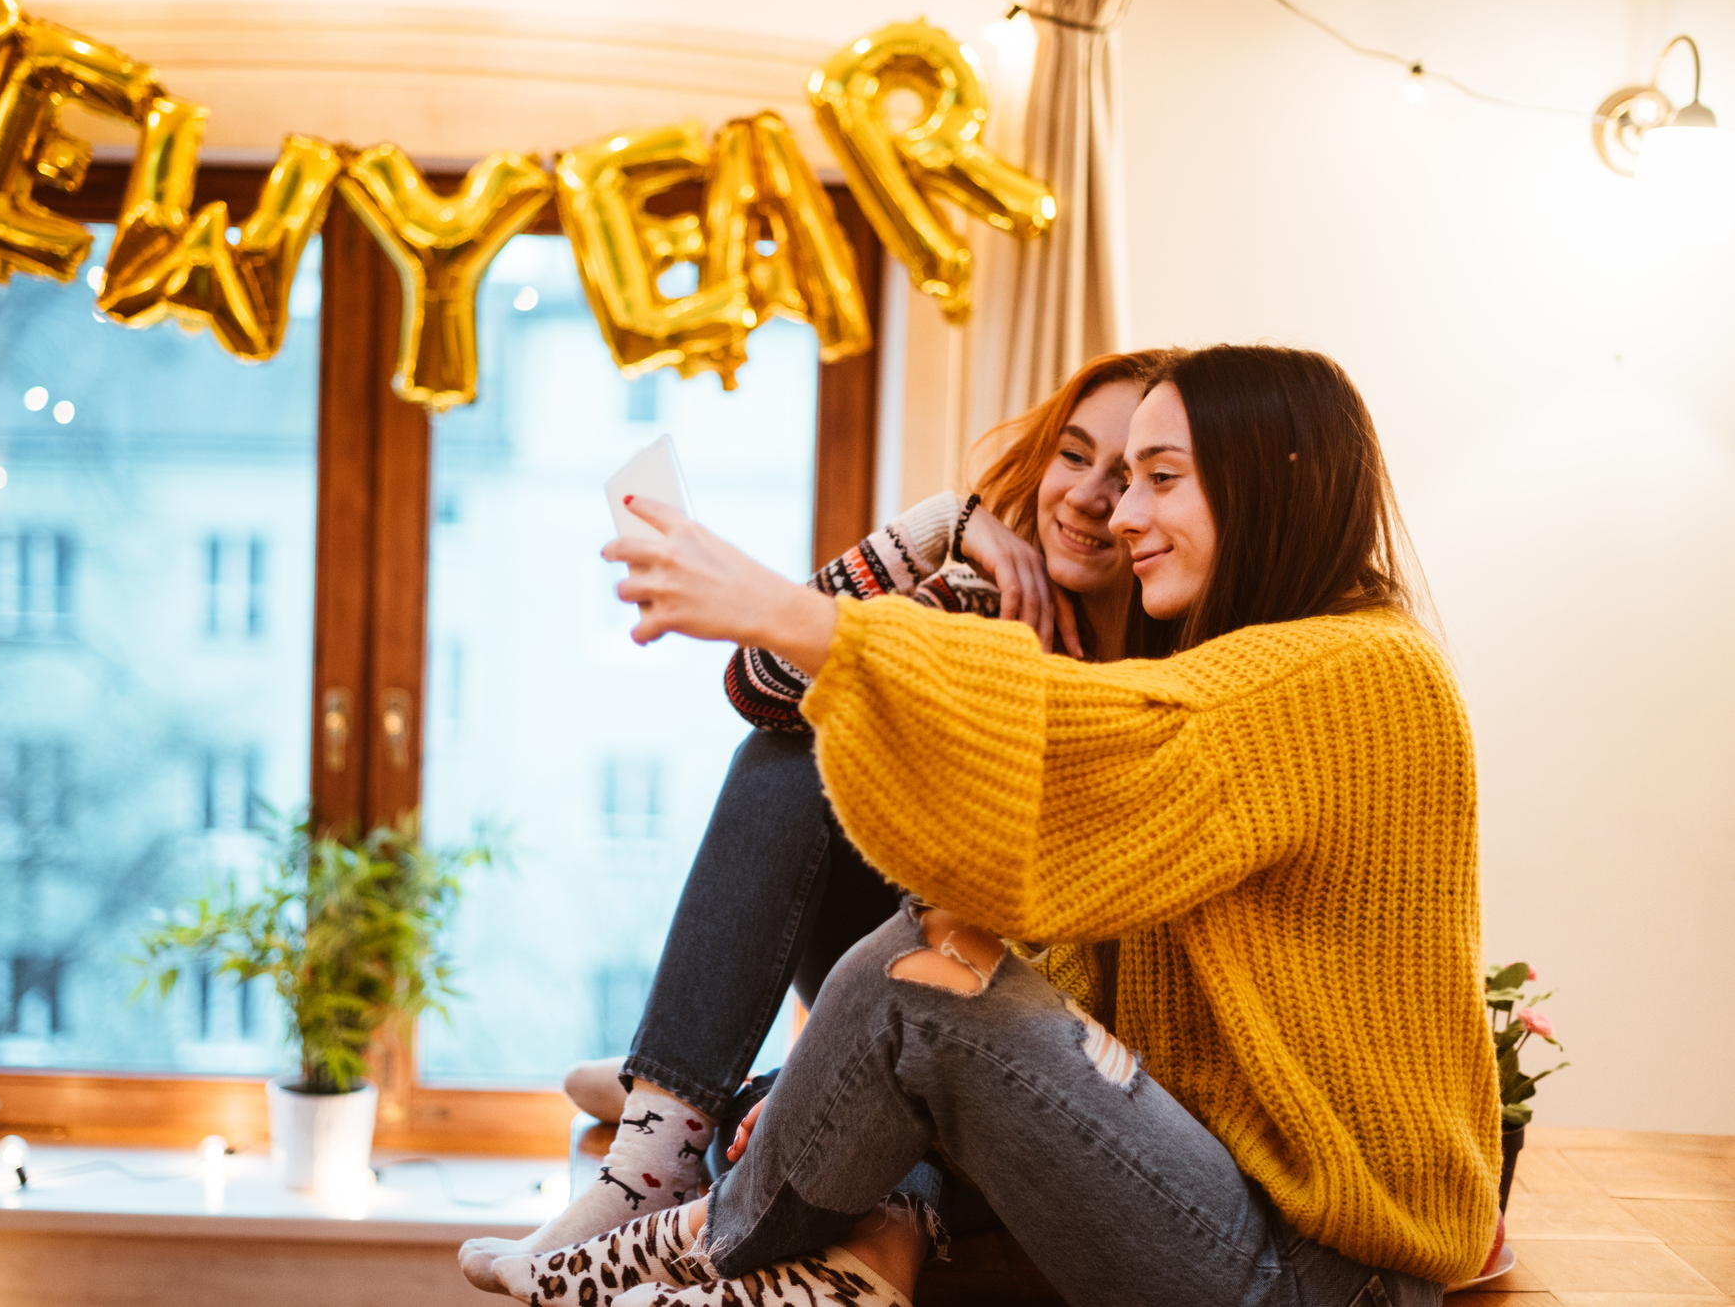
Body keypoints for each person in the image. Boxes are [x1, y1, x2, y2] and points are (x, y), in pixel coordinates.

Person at [494, 344, 1499, 1307]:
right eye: (1104, 469)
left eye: (1159, 478)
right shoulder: (1269, 661)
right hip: (1252, 1222)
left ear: (1272, 479)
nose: (1122, 512)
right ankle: (710, 1187)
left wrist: (784, 609)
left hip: (1323, 1278)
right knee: (914, 952)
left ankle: (696, 1229)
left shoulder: (1354, 669)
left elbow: (1090, 740)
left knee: (919, 992)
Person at [459, 351, 1173, 1291]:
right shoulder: (984, 601)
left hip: (1028, 1028)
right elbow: (758, 686)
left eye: (1127, 477)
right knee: (791, 750)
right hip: (914, 970)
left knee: (840, 1071)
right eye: (1072, 456)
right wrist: (937, 531)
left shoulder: (1177, 677)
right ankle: (656, 1145)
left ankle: (673, 1094)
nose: (1085, 496)